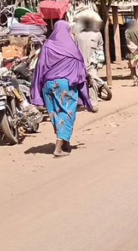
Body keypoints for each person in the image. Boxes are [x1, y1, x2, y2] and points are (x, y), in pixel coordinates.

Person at [31, 21, 94, 157]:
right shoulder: (70, 47)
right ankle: (58, 148)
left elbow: (39, 67)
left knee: (54, 113)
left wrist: (37, 87)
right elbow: (80, 67)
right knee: (66, 113)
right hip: (65, 85)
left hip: (47, 85)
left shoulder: (47, 45)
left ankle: (65, 142)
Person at [75, 19, 105, 106]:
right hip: (80, 63)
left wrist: (99, 59)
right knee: (81, 82)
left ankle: (93, 102)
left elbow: (100, 46)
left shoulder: (97, 34)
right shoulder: (78, 35)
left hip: (92, 63)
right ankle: (83, 100)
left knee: (93, 81)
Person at [124, 8, 138, 87]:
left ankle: (135, 80)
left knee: (132, 66)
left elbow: (128, 42)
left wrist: (135, 50)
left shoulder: (127, 31)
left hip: (132, 52)